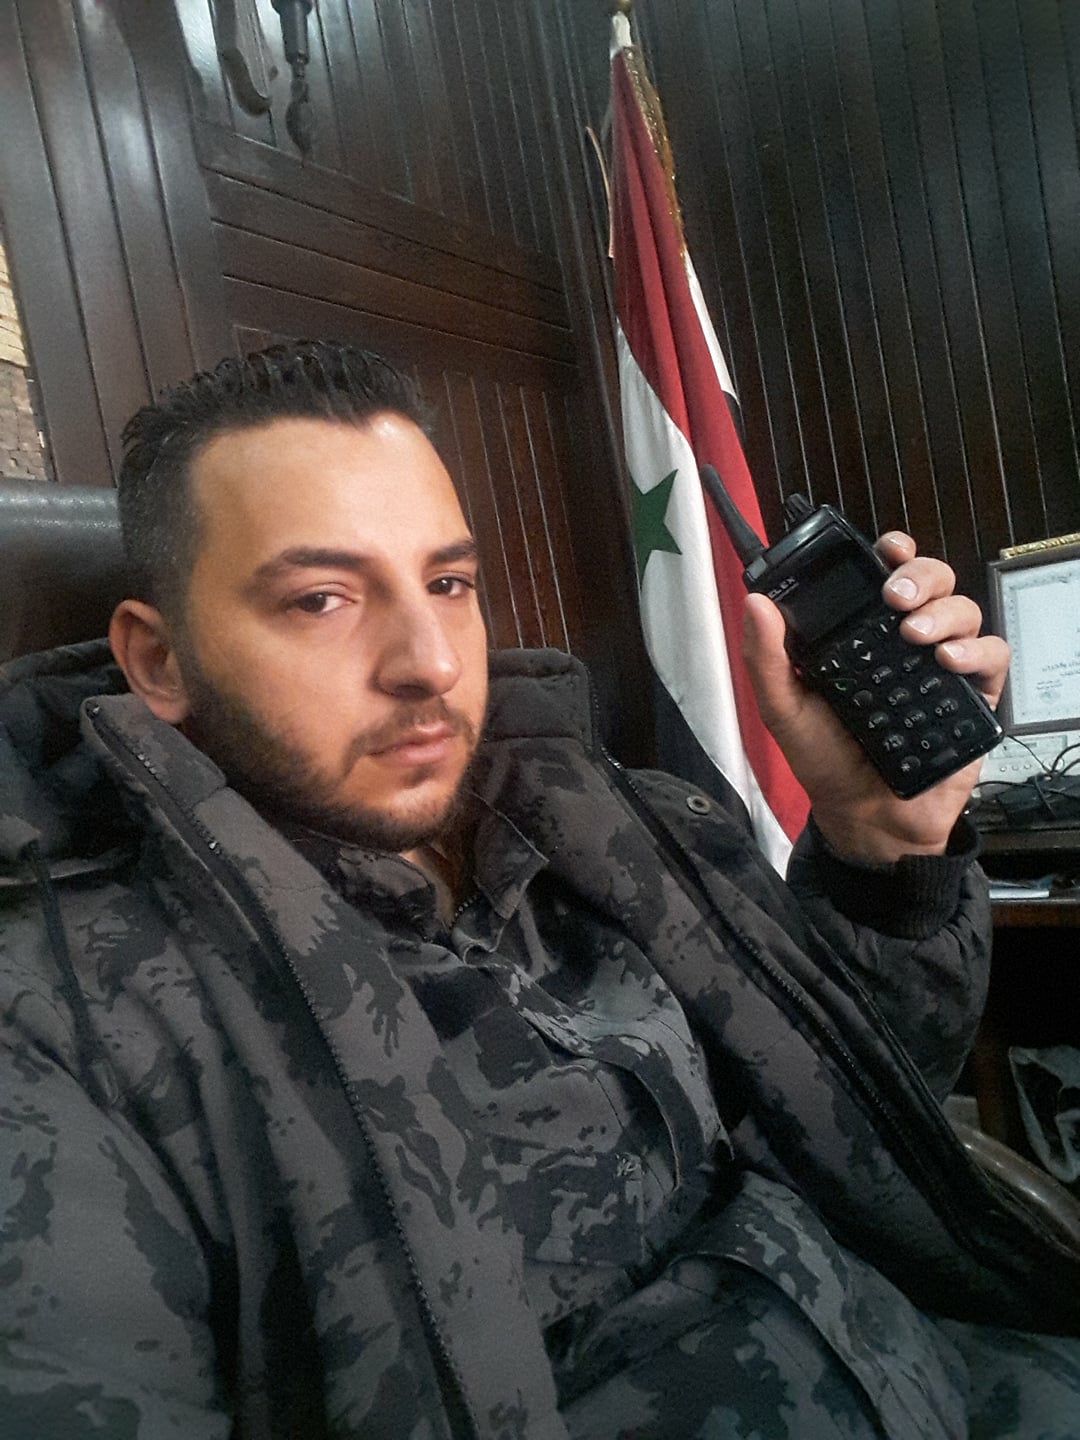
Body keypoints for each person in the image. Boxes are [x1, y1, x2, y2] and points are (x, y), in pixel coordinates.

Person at [0, 340, 1076, 1440]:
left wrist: (883, 844)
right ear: (159, 662)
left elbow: (860, 1126)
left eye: (448, 583)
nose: (430, 662)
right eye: (321, 599)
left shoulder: (617, 820)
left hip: (960, 1373)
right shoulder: (66, 1020)